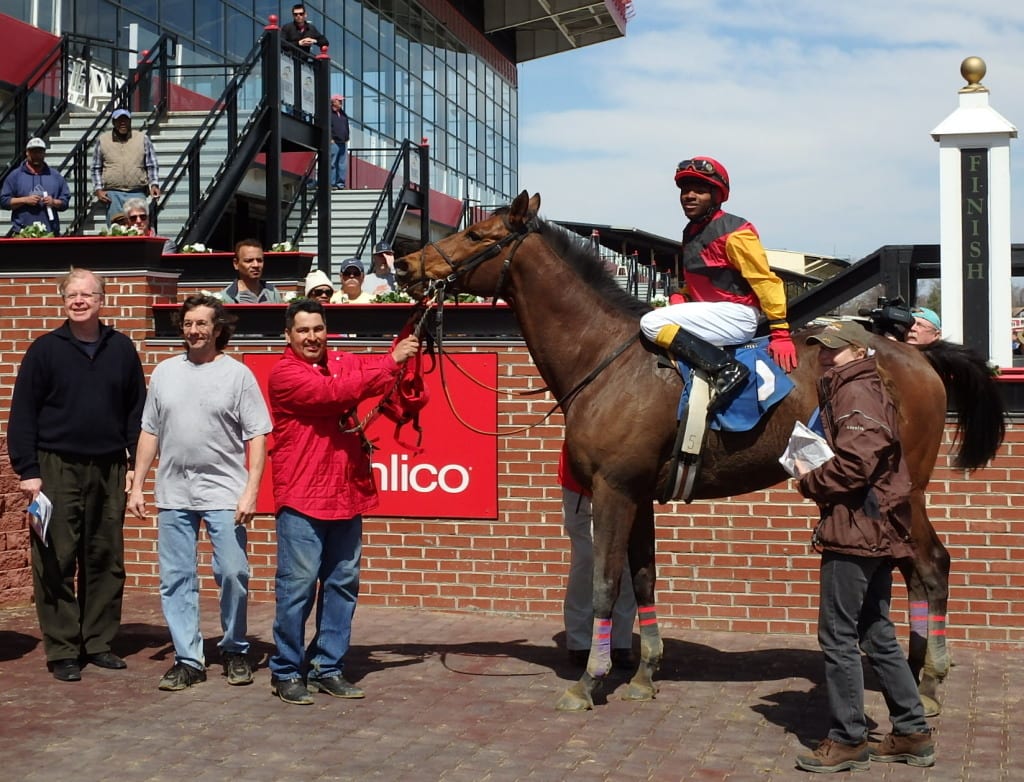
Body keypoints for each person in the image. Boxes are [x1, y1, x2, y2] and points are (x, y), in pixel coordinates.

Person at [793, 321, 934, 773]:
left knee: (837, 635)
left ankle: (849, 739)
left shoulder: (856, 393)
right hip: (873, 526)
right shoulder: (858, 387)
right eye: (820, 349)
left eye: (835, 350)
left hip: (857, 528)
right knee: (876, 632)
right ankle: (912, 732)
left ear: (858, 351)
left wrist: (808, 480)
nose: (825, 356)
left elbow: (857, 464)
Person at [267, 299, 420, 705]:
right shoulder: (285, 374)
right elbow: (335, 393)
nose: (312, 337)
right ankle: (286, 669)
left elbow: (368, 371)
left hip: (346, 493)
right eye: (303, 330)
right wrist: (392, 361)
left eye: (318, 328)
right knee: (297, 588)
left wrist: (398, 353)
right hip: (302, 496)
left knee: (342, 585)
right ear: (288, 336)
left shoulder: (339, 359)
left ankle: (327, 667)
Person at [6, 268, 146, 682]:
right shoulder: (45, 350)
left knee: (105, 556)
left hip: (108, 466)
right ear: (63, 300)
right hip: (55, 468)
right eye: (72, 295)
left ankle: (98, 642)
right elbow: (23, 416)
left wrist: (135, 466)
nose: (79, 301)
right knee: (55, 557)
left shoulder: (121, 349)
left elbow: (136, 411)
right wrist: (28, 472)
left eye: (87, 294)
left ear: (103, 299)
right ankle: (63, 647)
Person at [127, 295, 272, 692]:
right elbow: (150, 431)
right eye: (188, 323)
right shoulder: (165, 372)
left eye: (202, 324)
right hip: (174, 492)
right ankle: (188, 658)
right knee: (176, 578)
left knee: (233, 572)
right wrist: (137, 484)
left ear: (218, 328)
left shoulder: (237, 375)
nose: (193, 330)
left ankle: (235, 648)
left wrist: (251, 491)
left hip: (225, 491)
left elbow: (257, 435)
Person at [639, 157, 797, 409]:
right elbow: (706, 280)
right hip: (716, 313)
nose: (688, 196)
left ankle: (727, 368)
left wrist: (780, 331)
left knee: (650, 323)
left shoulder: (735, 232)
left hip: (737, 315)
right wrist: (683, 296)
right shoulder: (691, 231)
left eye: (699, 190)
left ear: (716, 195)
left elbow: (765, 280)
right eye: (684, 190)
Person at [559, 445, 637, 668]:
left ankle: (621, 641)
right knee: (585, 560)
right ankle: (579, 641)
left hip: (619, 483)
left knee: (622, 561)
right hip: (578, 484)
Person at [91, 108, 161, 224]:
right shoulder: (103, 140)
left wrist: (154, 184)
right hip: (113, 194)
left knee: (139, 228)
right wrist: (98, 189)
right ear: (113, 122)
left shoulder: (142, 139)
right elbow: (96, 168)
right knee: (116, 232)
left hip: (137, 192)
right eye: (119, 120)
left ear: (130, 121)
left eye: (125, 120)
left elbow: (151, 165)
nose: (122, 123)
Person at [1, 137, 71, 235]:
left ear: (44, 153)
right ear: (27, 153)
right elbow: (4, 201)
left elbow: (65, 201)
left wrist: (53, 202)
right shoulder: (15, 175)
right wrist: (25, 200)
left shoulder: (55, 176)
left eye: (40, 152)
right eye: (33, 152)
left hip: (50, 232)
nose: (37, 155)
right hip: (22, 233)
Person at [219, 239, 284, 303]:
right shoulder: (226, 298)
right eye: (249, 260)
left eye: (259, 260)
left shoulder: (272, 293)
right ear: (236, 264)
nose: (256, 265)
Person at [329, 95, 350, 190]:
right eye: (339, 101)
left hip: (342, 142)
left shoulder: (343, 114)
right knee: (332, 163)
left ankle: (340, 183)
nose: (341, 103)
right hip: (334, 142)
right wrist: (330, 138)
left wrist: (347, 137)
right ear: (333, 102)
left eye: (342, 101)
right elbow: (328, 126)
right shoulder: (329, 113)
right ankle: (332, 183)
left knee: (342, 164)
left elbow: (346, 126)